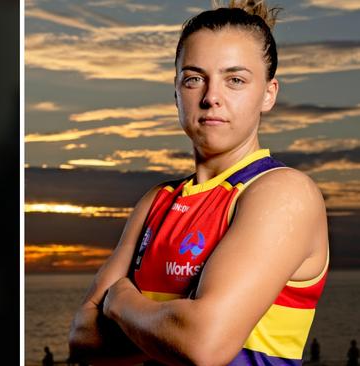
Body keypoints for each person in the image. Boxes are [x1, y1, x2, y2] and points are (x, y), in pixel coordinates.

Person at [68, 1, 329, 365]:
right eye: (194, 78)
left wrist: (118, 300)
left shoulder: (282, 192)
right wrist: (168, 324)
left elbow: (203, 345)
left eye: (235, 80)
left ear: (269, 93)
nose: (211, 97)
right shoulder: (156, 201)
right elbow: (82, 340)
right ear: (176, 91)